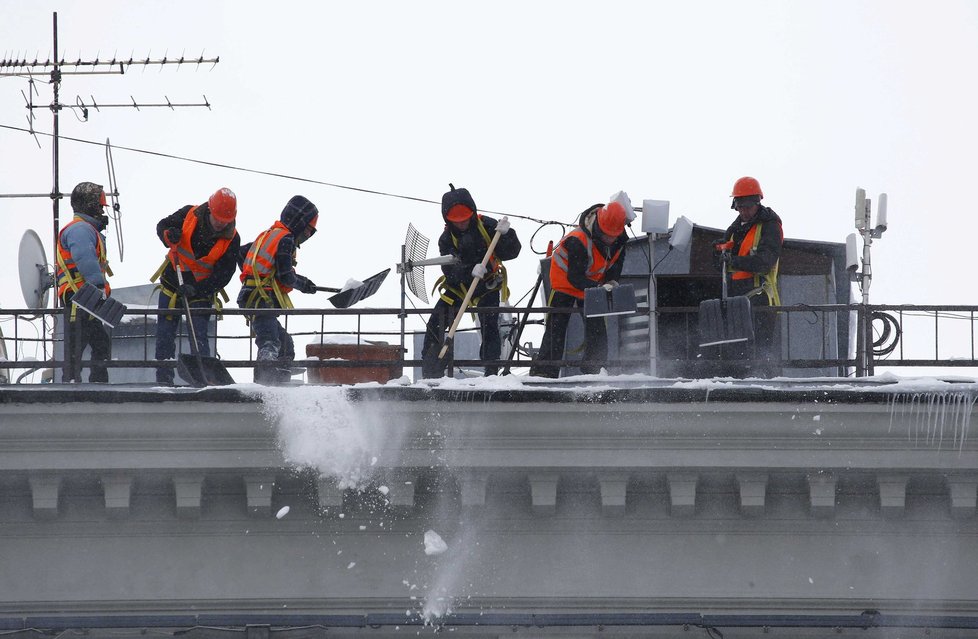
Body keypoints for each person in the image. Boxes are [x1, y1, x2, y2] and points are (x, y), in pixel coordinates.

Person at [421, 184, 521, 378]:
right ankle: (431, 373)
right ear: (448, 220)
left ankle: (491, 371)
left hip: (487, 286)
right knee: (435, 324)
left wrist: (508, 235)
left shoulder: (489, 226)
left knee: (490, 324)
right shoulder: (446, 239)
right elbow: (448, 269)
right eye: (456, 221)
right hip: (458, 288)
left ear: (472, 213)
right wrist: (468, 272)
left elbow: (511, 252)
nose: (462, 224)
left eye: (465, 219)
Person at [529, 200, 629, 379]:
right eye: (607, 235)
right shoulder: (578, 240)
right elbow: (574, 277)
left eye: (613, 235)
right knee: (556, 327)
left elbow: (615, 264)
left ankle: (595, 369)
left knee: (597, 328)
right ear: (599, 226)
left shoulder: (620, 241)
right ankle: (545, 371)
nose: (610, 239)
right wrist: (599, 287)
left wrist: (612, 281)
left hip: (594, 284)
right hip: (564, 283)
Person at [151, 188, 241, 384]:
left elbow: (224, 274)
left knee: (200, 338)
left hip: (200, 291)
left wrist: (198, 289)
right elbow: (162, 226)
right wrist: (168, 234)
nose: (220, 224)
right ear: (209, 210)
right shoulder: (188, 214)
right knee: (165, 336)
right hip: (172, 283)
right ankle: (164, 380)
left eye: (224, 221)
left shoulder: (232, 239)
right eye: (217, 218)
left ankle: (203, 380)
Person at [238, 195, 320, 384]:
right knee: (269, 342)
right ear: (299, 222)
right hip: (261, 297)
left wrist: (254, 275)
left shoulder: (270, 233)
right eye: (309, 229)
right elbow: (286, 276)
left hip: (256, 295)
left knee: (284, 345)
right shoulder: (285, 239)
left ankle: (281, 376)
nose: (309, 234)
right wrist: (304, 284)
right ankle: (265, 383)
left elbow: (242, 252)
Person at [712, 176, 783, 376]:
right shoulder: (735, 229)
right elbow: (720, 266)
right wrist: (718, 253)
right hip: (736, 303)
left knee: (760, 355)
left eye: (748, 206)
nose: (744, 211)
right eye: (740, 206)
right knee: (736, 355)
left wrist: (733, 261)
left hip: (760, 300)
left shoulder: (769, 226)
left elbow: (764, 262)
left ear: (757, 203)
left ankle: (762, 387)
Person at [55, 181, 114, 383]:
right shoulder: (80, 229)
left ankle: (94, 381)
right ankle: (72, 384)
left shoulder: (85, 229)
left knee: (99, 344)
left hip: (86, 297)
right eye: (99, 206)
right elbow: (84, 257)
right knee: (77, 345)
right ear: (89, 205)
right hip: (80, 297)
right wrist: (98, 286)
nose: (101, 210)